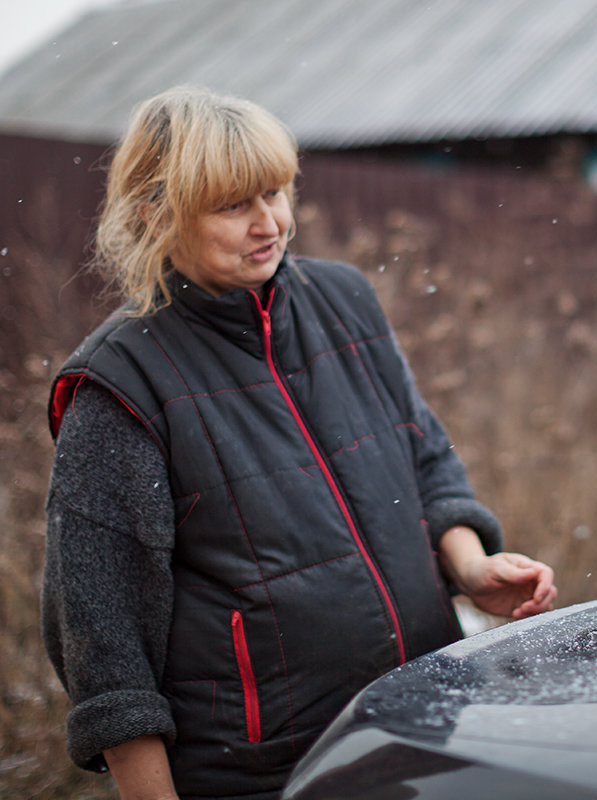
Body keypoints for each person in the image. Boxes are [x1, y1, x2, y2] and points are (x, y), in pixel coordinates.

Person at [41, 85, 556, 800]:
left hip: (428, 720)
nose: (270, 223)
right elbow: (104, 644)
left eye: (277, 192)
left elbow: (424, 456)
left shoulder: (345, 300)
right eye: (232, 205)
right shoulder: (119, 384)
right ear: (153, 214)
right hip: (270, 775)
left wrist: (470, 568)